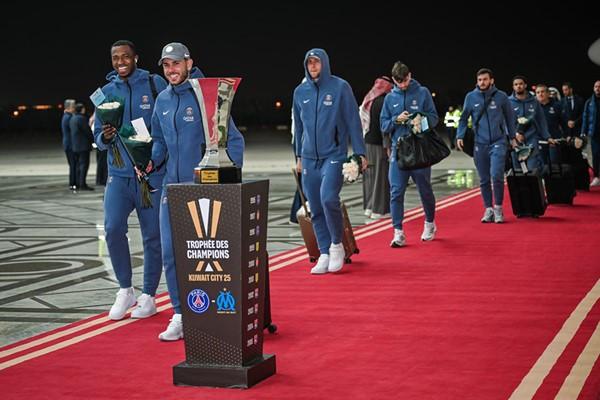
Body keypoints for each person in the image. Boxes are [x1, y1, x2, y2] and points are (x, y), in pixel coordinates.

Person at [149, 42, 245, 340]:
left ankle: (214, 314)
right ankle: (180, 313)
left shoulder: (207, 95)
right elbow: (159, 142)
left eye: (176, 63)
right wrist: (149, 161)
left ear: (189, 63)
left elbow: (234, 141)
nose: (171, 70)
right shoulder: (162, 100)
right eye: (166, 65)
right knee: (170, 254)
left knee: (207, 257)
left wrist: (227, 180)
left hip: (201, 190)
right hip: (171, 188)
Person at [93, 40, 167, 321]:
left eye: (126, 56)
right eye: (115, 58)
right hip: (119, 176)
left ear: (136, 58)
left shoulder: (154, 84)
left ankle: (148, 295)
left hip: (151, 175)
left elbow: (165, 126)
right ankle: (126, 290)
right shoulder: (105, 93)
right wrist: (104, 137)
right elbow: (97, 137)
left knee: (153, 236)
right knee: (112, 228)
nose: (120, 62)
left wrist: (154, 159)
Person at [292, 48, 367, 274]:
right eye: (310, 62)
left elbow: (353, 121)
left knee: (328, 199)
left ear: (324, 63)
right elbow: (299, 127)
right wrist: (298, 156)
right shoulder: (300, 92)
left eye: (317, 62)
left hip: (334, 155)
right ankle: (324, 252)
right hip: (309, 158)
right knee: (315, 207)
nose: (313, 66)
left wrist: (360, 153)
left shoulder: (340, 87)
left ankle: (336, 246)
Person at [380, 61, 438, 247]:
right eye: (399, 82)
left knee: (425, 189)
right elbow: (383, 125)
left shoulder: (423, 92)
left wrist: (421, 121)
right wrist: (396, 120)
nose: (403, 85)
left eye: (405, 80)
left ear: (410, 75)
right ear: (394, 80)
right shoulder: (389, 98)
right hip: (399, 151)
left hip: (420, 149)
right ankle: (398, 232)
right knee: (396, 192)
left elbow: (434, 118)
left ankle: (430, 223)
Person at [457, 68, 516, 223]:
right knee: (484, 179)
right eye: (480, 80)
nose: (482, 82)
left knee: (496, 175)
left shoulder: (501, 97)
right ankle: (488, 209)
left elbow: (510, 117)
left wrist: (512, 137)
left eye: (485, 79)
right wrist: (460, 135)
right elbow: (463, 118)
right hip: (480, 143)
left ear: (491, 80)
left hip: (498, 142)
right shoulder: (471, 97)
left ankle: (498, 208)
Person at [360, 75, 393, 219]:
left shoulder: (369, 100)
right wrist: (388, 146)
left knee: (370, 176)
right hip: (379, 145)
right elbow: (384, 128)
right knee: (381, 177)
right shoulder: (384, 101)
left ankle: (369, 207)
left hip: (367, 144)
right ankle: (379, 210)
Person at [509, 76, 552, 173]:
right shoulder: (508, 102)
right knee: (518, 170)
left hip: (531, 138)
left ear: (525, 85)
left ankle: (535, 182)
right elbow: (505, 122)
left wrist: (547, 137)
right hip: (515, 140)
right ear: (513, 87)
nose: (518, 86)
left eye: (521, 84)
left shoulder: (534, 101)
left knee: (533, 169)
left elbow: (541, 120)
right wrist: (514, 135)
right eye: (516, 84)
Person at [535, 83, 565, 165]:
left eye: (542, 92)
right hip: (539, 141)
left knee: (555, 165)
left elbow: (564, 123)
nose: (540, 94)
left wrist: (566, 136)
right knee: (542, 166)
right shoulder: (532, 107)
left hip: (554, 140)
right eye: (538, 92)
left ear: (548, 93)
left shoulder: (557, 106)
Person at [69, 103, 94, 190]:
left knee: (78, 165)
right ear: (82, 109)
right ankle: (82, 184)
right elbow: (87, 131)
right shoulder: (81, 119)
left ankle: (78, 182)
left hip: (75, 146)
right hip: (83, 146)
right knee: (84, 165)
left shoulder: (72, 118)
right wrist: (93, 139)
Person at [581, 80, 600, 186]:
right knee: (596, 155)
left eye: (599, 86)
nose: (597, 88)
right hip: (594, 133)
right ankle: (597, 177)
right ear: (593, 88)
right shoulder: (589, 102)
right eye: (596, 86)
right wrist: (583, 131)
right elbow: (585, 117)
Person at [61, 99, 77, 191]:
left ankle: (73, 182)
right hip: (70, 145)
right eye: (73, 106)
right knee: (73, 165)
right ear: (69, 107)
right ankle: (73, 183)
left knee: (73, 165)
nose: (75, 108)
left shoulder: (66, 116)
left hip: (68, 144)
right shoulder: (69, 117)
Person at [89, 111, 108, 186]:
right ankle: (101, 179)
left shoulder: (93, 121)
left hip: (98, 143)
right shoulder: (96, 122)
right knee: (102, 162)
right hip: (100, 143)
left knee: (100, 162)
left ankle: (100, 179)